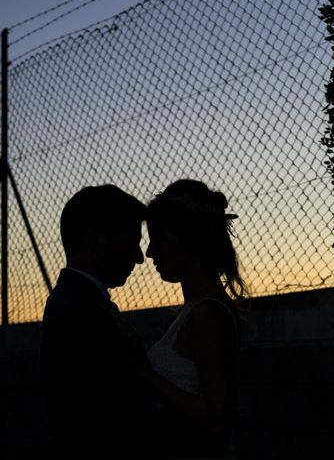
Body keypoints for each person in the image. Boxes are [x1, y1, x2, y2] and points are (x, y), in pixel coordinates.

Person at [38, 184, 150, 459]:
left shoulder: (76, 301)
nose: (139, 257)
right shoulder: (80, 309)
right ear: (95, 239)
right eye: (130, 241)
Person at [140, 179, 245, 459]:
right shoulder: (196, 311)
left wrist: (145, 375)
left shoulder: (207, 315)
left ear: (184, 241)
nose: (150, 252)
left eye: (158, 239)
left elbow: (218, 416)